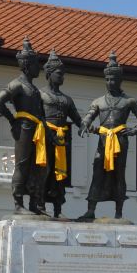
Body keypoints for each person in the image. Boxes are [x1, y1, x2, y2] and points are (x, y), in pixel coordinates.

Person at [77, 52, 137, 220]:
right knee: (97, 172)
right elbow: (89, 115)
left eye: (113, 79)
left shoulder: (129, 101)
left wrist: (134, 130)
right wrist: (85, 124)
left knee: (119, 174)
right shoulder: (98, 101)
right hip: (103, 141)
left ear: (119, 80)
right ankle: (91, 209)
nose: (110, 82)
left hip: (120, 141)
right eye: (107, 79)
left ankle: (119, 212)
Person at [0, 37, 47, 215]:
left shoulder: (35, 89)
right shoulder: (17, 85)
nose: (38, 68)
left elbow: (41, 114)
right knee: (22, 164)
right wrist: (11, 119)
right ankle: (18, 203)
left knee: (36, 166)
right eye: (35, 64)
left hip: (37, 129)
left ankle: (35, 203)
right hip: (24, 126)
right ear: (26, 65)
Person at [40, 50, 83, 218]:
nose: (62, 77)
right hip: (46, 137)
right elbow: (38, 116)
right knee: (45, 170)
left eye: (63, 74)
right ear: (49, 74)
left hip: (62, 140)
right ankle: (40, 205)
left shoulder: (67, 99)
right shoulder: (41, 94)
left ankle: (58, 209)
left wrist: (88, 127)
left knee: (60, 174)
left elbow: (78, 119)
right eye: (59, 74)